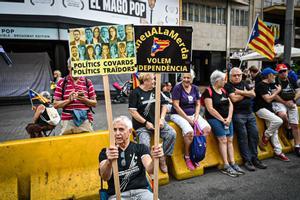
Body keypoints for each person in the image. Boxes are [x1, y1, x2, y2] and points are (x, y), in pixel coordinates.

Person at [99, 116, 164, 199]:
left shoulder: (140, 148)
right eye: (114, 130)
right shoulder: (105, 152)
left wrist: (155, 158)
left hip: (141, 192)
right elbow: (105, 177)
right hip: (118, 195)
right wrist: (109, 161)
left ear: (129, 131)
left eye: (121, 129)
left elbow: (150, 170)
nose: (117, 133)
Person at [128, 73, 176, 173]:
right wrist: (145, 123)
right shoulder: (135, 93)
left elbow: (164, 105)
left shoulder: (156, 90)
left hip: (158, 122)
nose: (154, 81)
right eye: (152, 80)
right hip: (142, 126)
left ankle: (162, 158)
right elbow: (133, 111)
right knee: (144, 144)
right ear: (145, 81)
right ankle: (149, 166)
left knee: (172, 134)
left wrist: (162, 119)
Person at [203, 70, 244, 177]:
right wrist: (222, 120)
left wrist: (229, 117)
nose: (225, 81)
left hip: (227, 119)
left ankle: (233, 163)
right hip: (215, 119)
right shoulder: (208, 91)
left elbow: (230, 104)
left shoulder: (224, 90)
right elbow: (210, 109)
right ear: (217, 81)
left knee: (230, 139)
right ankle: (226, 165)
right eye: (223, 79)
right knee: (223, 140)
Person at [225, 67, 267, 171]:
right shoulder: (228, 85)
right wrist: (246, 93)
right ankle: (247, 161)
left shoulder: (244, 83)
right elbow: (233, 99)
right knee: (243, 137)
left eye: (239, 75)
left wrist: (240, 92)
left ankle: (255, 159)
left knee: (254, 135)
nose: (237, 77)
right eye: (234, 75)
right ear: (230, 76)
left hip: (250, 113)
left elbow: (253, 94)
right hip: (238, 115)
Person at [171, 71, 211, 171]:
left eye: (188, 78)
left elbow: (198, 104)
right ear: (181, 78)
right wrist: (188, 119)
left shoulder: (195, 88)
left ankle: (195, 151)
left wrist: (196, 116)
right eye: (184, 77)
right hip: (178, 114)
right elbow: (176, 105)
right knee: (189, 132)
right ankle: (187, 156)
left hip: (193, 114)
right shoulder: (177, 88)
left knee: (207, 128)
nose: (186, 80)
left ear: (192, 79)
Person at [254, 67, 289, 161]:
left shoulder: (269, 85)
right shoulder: (261, 85)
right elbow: (268, 99)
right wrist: (277, 91)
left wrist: (276, 91)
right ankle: (266, 136)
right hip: (260, 109)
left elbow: (271, 97)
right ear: (269, 75)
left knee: (275, 131)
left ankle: (278, 152)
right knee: (278, 121)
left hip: (268, 109)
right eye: (273, 75)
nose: (274, 76)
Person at [53, 59, 97, 135]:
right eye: (73, 67)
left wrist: (84, 100)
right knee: (66, 145)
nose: (76, 70)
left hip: (85, 120)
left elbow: (94, 103)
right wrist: (68, 100)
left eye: (78, 67)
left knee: (87, 144)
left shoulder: (87, 82)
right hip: (67, 121)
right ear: (69, 67)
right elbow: (55, 104)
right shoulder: (62, 82)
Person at [272, 64, 300, 157]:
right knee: (282, 115)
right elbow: (274, 95)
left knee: (295, 125)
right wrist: (285, 102)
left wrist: (293, 100)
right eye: (281, 71)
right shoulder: (275, 81)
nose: (283, 73)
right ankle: (288, 127)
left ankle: (297, 146)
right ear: (278, 73)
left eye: (285, 71)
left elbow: (298, 91)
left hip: (291, 102)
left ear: (287, 71)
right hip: (280, 102)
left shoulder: (291, 79)